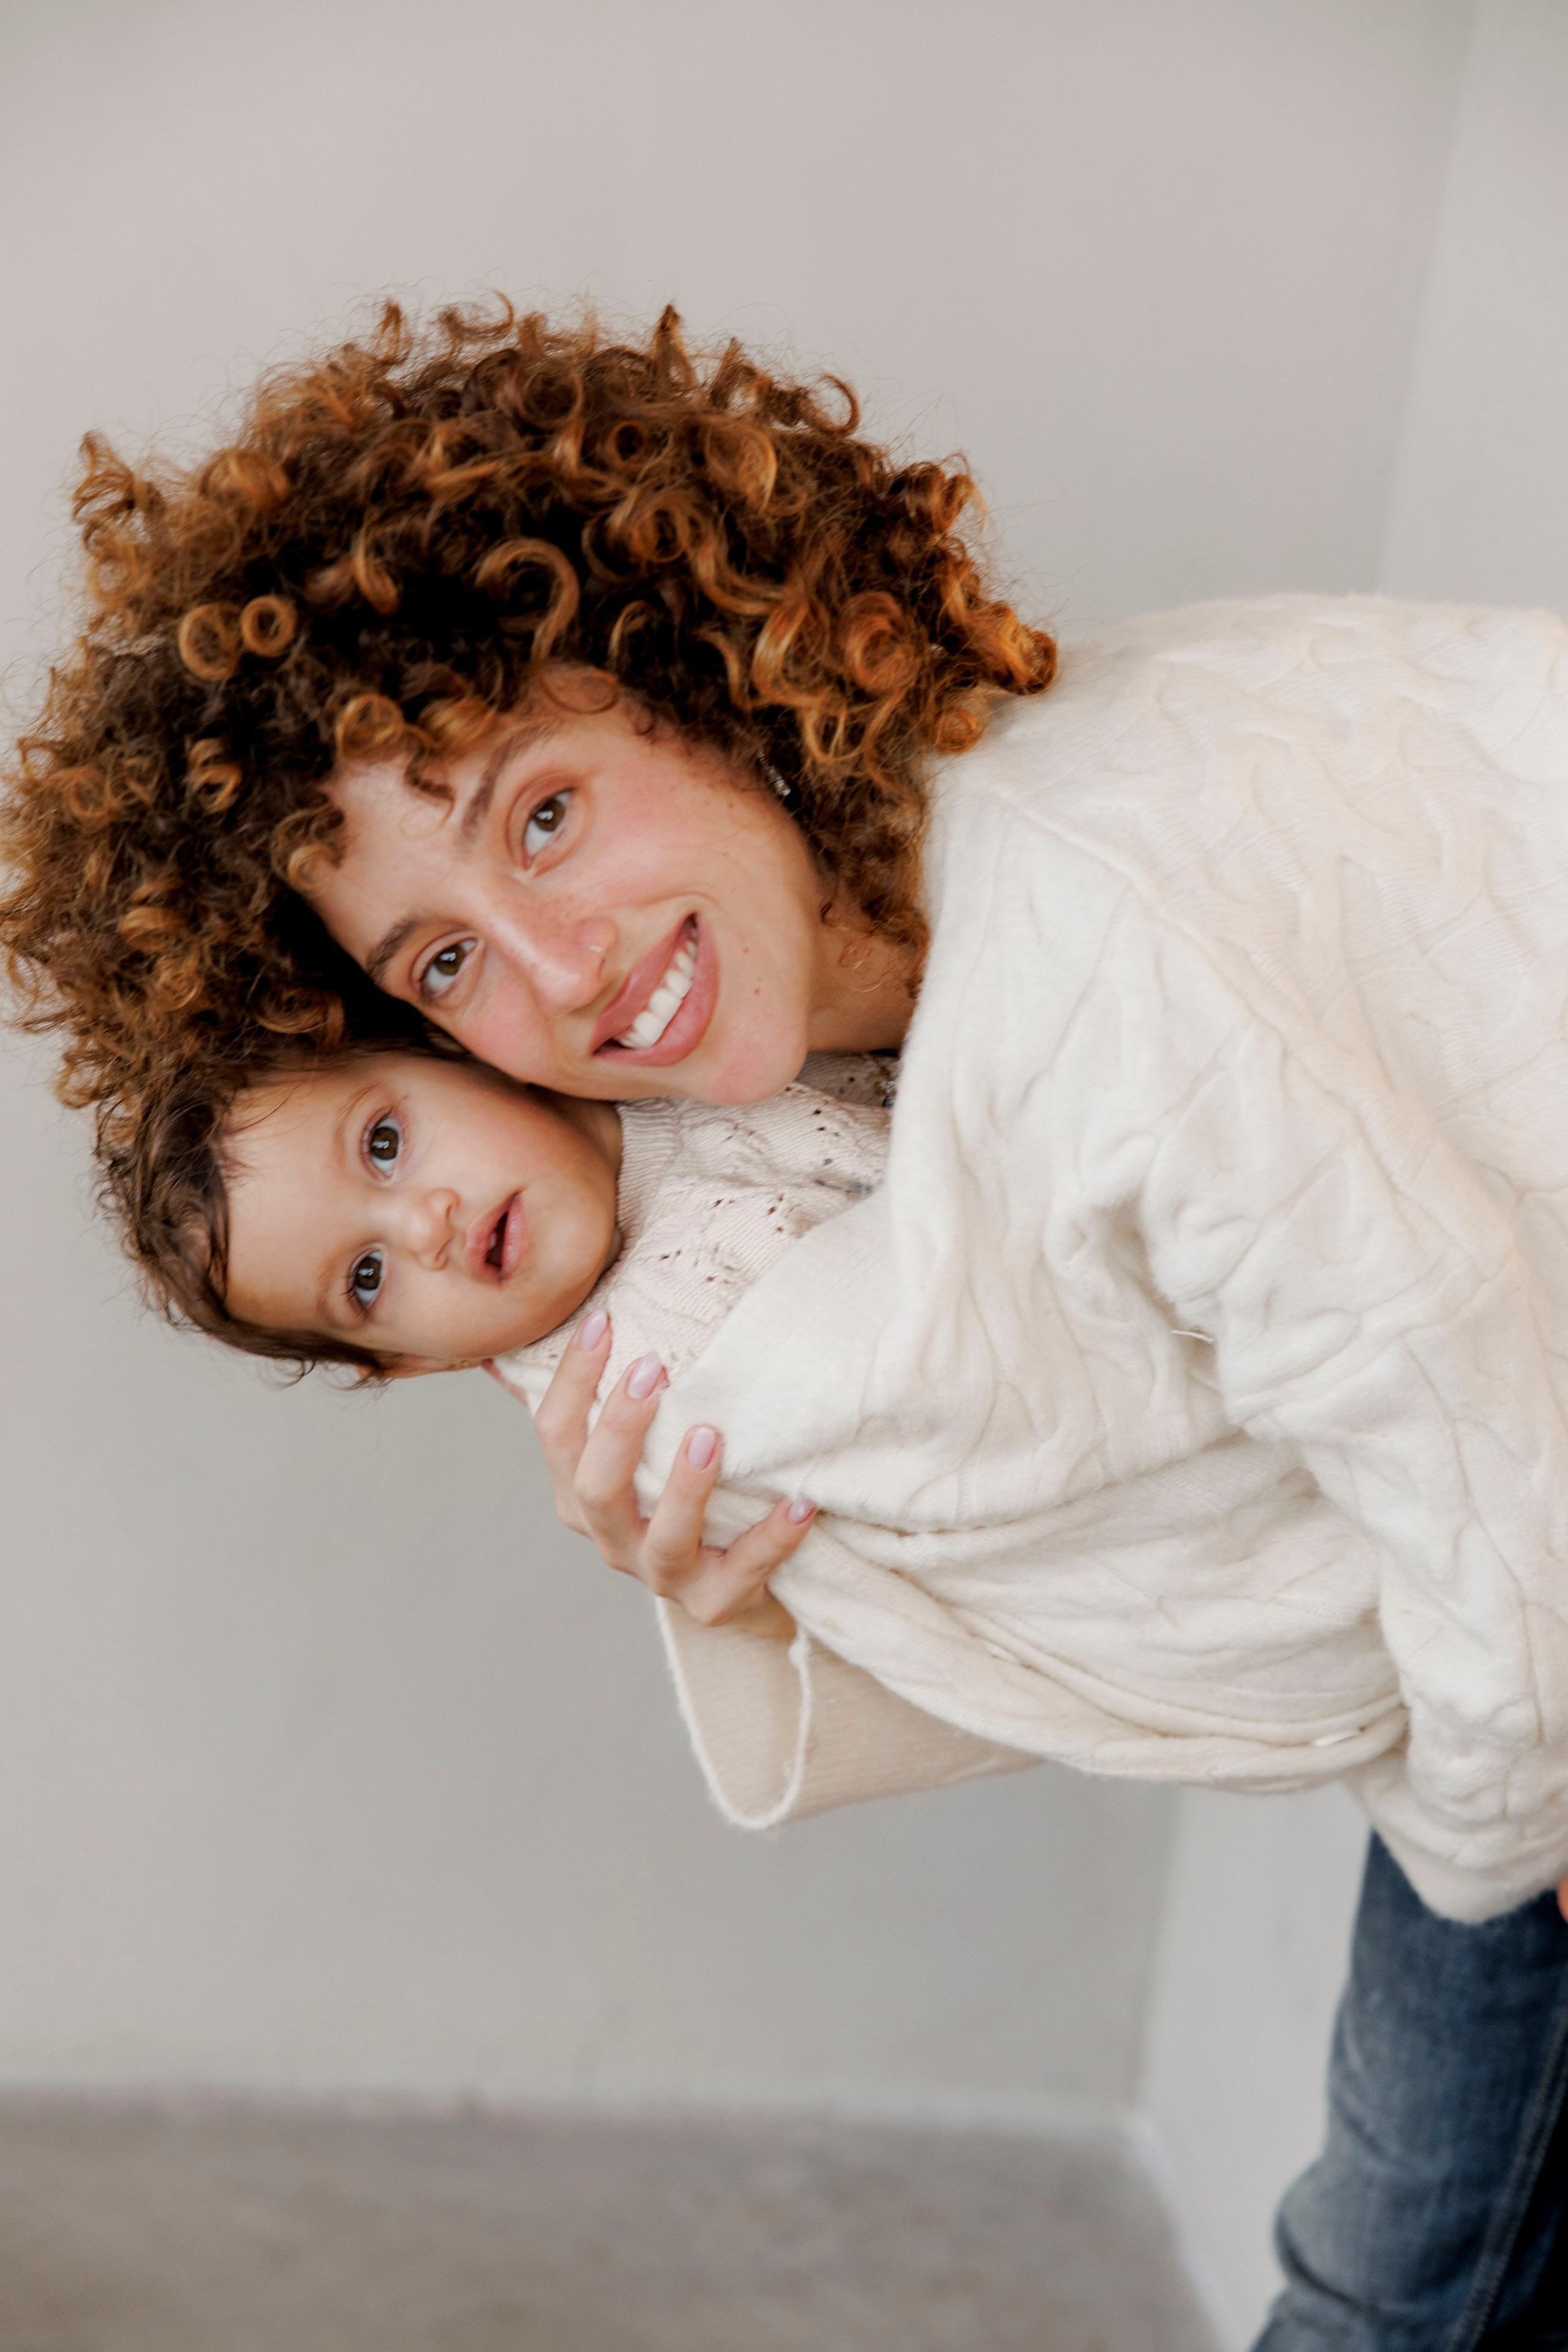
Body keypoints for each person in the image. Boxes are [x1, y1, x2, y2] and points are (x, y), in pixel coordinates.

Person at [6, 299, 1568, 2344]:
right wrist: (743, 1562)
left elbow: (1451, 1429)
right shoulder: (821, 1048)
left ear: (704, 673)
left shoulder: (1094, 938)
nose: (557, 969)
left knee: (1391, 2280)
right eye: (446, 957)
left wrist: (1503, 1828)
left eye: (543, 812)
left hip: (1530, 1598)